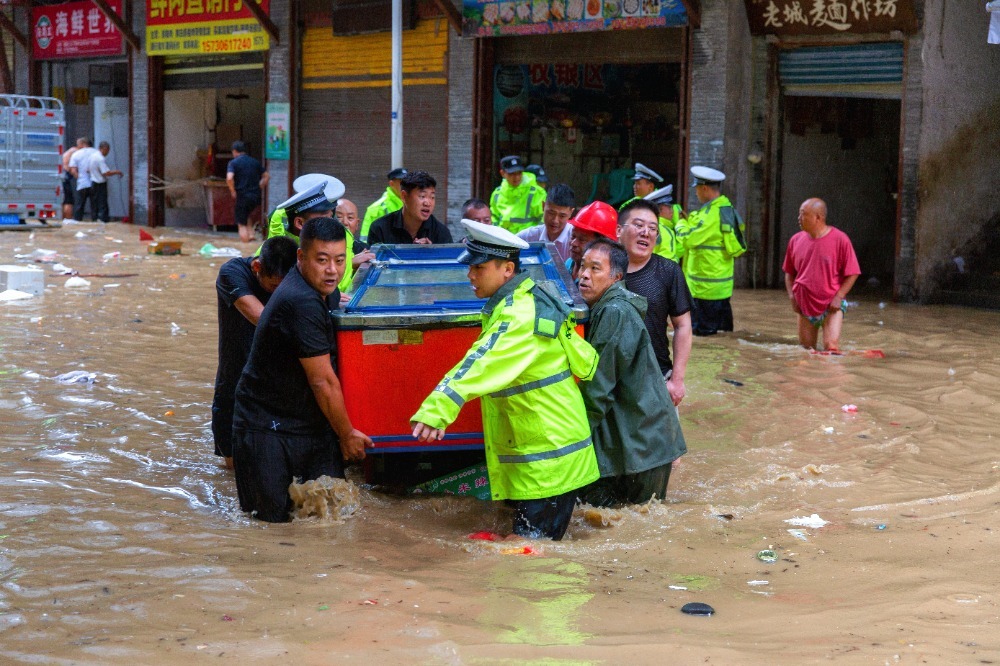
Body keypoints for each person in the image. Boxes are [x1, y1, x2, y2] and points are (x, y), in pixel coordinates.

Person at [410, 220, 600, 541]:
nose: (470, 274)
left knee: (532, 568)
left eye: (479, 267)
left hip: (546, 463)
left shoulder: (517, 316)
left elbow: (481, 362)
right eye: (470, 266)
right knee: (531, 554)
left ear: (507, 269)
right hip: (551, 455)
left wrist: (437, 409)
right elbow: (585, 361)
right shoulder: (529, 297)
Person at [232, 217, 372, 523]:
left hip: (309, 422)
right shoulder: (300, 301)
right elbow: (322, 381)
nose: (332, 270)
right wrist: (347, 433)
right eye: (322, 260)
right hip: (265, 426)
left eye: (339, 260)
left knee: (333, 514)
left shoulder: (326, 290)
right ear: (301, 257)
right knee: (270, 525)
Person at [575, 238, 687, 507]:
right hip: (642, 446)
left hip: (644, 451)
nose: (584, 275)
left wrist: (570, 440)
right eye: (582, 266)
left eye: (595, 269)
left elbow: (598, 387)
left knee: (629, 521)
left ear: (616, 277)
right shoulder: (610, 307)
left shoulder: (614, 312)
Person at [212, 236, 299, 470]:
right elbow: (263, 320)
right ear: (257, 267)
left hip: (277, 386)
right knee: (233, 468)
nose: (279, 293)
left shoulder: (297, 277)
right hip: (236, 382)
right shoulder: (232, 273)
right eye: (273, 287)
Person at [618, 199, 693, 406]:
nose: (646, 233)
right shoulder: (605, 269)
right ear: (618, 231)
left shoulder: (668, 271)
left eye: (653, 228)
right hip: (611, 381)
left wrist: (677, 380)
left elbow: (683, 325)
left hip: (657, 378)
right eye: (639, 225)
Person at [674, 166, 747, 336]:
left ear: (704, 188)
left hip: (705, 290)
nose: (696, 193)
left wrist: (680, 224)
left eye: (697, 189)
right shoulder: (724, 208)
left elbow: (688, 240)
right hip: (719, 288)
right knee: (722, 337)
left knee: (704, 338)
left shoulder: (711, 214)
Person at [783, 198, 861, 352]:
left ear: (817, 217)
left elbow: (853, 273)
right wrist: (792, 297)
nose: (799, 218)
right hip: (804, 304)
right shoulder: (795, 240)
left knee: (831, 348)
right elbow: (789, 274)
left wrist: (839, 296)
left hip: (831, 305)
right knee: (807, 350)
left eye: (803, 214)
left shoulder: (840, 240)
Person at [367, 170, 453, 245]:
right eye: (422, 196)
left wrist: (431, 252)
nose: (428, 203)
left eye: (432, 197)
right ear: (404, 196)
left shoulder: (441, 232)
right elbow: (374, 261)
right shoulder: (380, 228)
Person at [516, 183, 576, 263]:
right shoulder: (528, 237)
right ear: (543, 206)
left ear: (571, 213)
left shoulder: (575, 241)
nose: (555, 220)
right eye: (551, 213)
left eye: (562, 216)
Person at [226, 141, 270, 244]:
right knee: (247, 215)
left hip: (242, 196)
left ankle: (245, 249)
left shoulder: (233, 163)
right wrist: (259, 186)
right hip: (255, 197)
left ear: (235, 151)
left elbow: (229, 178)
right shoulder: (254, 162)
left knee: (241, 223)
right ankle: (251, 236)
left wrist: (232, 191)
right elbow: (267, 176)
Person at [565, 201, 619, 280]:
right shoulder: (568, 264)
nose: (573, 243)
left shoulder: (599, 281)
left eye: (582, 240)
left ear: (603, 245)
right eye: (573, 236)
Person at [489, 155, 544, 233]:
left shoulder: (536, 192)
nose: (516, 177)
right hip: (504, 240)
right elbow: (494, 218)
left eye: (519, 173)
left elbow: (544, 218)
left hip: (528, 241)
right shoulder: (497, 193)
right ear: (502, 173)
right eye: (511, 174)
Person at [361, 167, 408, 242]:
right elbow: (365, 240)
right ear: (391, 183)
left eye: (407, 182)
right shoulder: (376, 208)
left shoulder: (413, 203)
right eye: (401, 182)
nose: (405, 185)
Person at [336, 198, 376, 282]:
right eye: (339, 217)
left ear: (357, 224)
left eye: (350, 218)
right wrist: (351, 263)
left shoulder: (364, 249)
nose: (345, 222)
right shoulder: (324, 248)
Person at [644, 185, 684, 262]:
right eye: (669, 207)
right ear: (659, 210)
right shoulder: (665, 230)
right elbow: (668, 259)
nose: (672, 211)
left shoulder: (649, 227)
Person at [87, 142, 123, 223]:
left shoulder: (92, 156)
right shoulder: (100, 158)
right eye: (106, 150)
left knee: (94, 203)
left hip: (93, 182)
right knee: (102, 203)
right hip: (100, 183)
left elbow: (87, 170)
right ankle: (103, 220)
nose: (107, 153)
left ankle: (94, 219)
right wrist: (117, 172)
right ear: (102, 148)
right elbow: (106, 173)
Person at [68, 138, 98, 222]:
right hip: (95, 182)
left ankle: (78, 221)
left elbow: (73, 170)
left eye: (78, 144)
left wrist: (79, 178)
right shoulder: (96, 152)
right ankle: (95, 221)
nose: (77, 146)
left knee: (79, 204)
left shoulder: (76, 154)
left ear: (83, 143)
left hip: (82, 183)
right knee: (95, 204)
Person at [61, 138, 85, 221]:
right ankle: (68, 219)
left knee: (65, 199)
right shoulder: (75, 151)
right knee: (69, 200)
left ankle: (64, 218)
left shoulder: (71, 151)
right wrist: (81, 178)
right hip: (65, 175)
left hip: (62, 175)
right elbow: (72, 168)